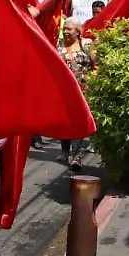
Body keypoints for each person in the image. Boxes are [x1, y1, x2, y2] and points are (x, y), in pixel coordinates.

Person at [57, 19, 95, 170]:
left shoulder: (86, 44)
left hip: (83, 90)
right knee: (64, 121)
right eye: (65, 29)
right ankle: (65, 151)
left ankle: (76, 155)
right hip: (62, 91)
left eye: (70, 29)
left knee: (78, 121)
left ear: (78, 31)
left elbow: (95, 60)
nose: (66, 31)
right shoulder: (58, 45)